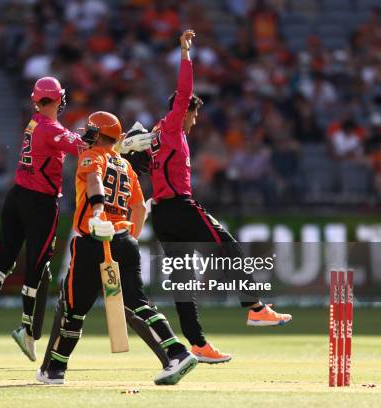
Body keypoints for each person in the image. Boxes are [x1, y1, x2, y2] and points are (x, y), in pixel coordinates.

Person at [123, 30, 292, 365]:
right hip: (180, 207)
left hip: (162, 214)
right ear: (181, 111)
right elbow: (184, 91)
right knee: (226, 242)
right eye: (192, 114)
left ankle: (197, 344)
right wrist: (186, 53)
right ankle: (255, 307)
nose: (194, 120)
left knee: (181, 279)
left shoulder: (151, 137)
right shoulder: (171, 128)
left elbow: (134, 163)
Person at [0, 77, 151, 361]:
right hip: (40, 203)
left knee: (2, 257)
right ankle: (27, 330)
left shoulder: (34, 123)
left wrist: (97, 139)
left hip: (15, 197)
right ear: (59, 100)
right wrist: (121, 147)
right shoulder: (51, 128)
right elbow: (82, 148)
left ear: (36, 100)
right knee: (38, 267)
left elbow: (71, 138)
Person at [37, 111, 197, 385]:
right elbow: (137, 207)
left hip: (93, 241)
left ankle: (55, 370)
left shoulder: (92, 155)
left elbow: (93, 180)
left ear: (98, 134)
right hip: (123, 241)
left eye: (90, 130)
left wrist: (98, 211)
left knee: (74, 308)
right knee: (138, 303)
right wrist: (128, 235)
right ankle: (177, 351)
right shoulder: (127, 167)